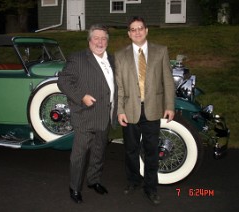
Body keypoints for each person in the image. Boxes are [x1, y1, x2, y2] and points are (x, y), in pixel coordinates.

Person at [115, 16, 175, 205]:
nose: (137, 32)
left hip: (152, 109)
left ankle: (151, 188)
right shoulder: (120, 55)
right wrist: (120, 110)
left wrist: (169, 106)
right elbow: (120, 87)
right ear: (129, 34)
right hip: (130, 110)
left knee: (151, 151)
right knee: (130, 150)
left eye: (140, 28)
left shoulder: (160, 51)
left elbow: (167, 81)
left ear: (146, 30)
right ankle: (133, 181)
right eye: (133, 29)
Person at [57, 24, 117, 204]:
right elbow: (63, 81)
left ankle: (94, 180)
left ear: (107, 40)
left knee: (99, 152)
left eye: (104, 38)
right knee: (79, 156)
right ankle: (74, 187)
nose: (100, 41)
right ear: (90, 40)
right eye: (96, 38)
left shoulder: (112, 59)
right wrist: (81, 96)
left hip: (105, 116)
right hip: (85, 115)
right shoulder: (78, 58)